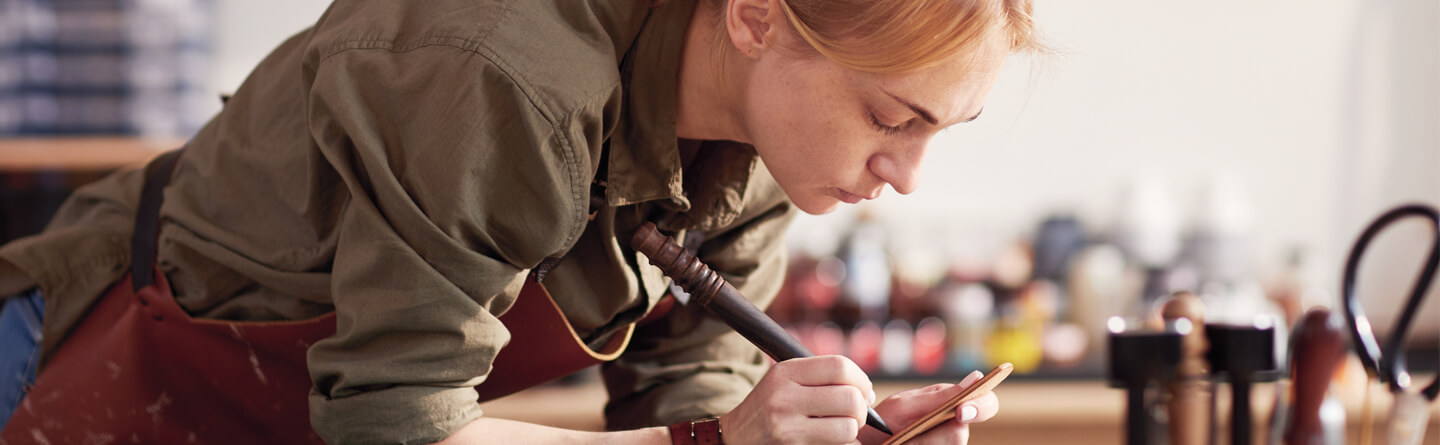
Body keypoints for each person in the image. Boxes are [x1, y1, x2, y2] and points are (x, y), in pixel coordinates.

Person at [0, 0, 1041, 443]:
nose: (906, 176)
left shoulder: (769, 156)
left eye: (940, 131)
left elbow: (690, 390)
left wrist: (808, 432)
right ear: (758, 16)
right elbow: (398, 429)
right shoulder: (508, 79)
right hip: (80, 354)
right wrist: (714, 440)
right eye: (891, 119)